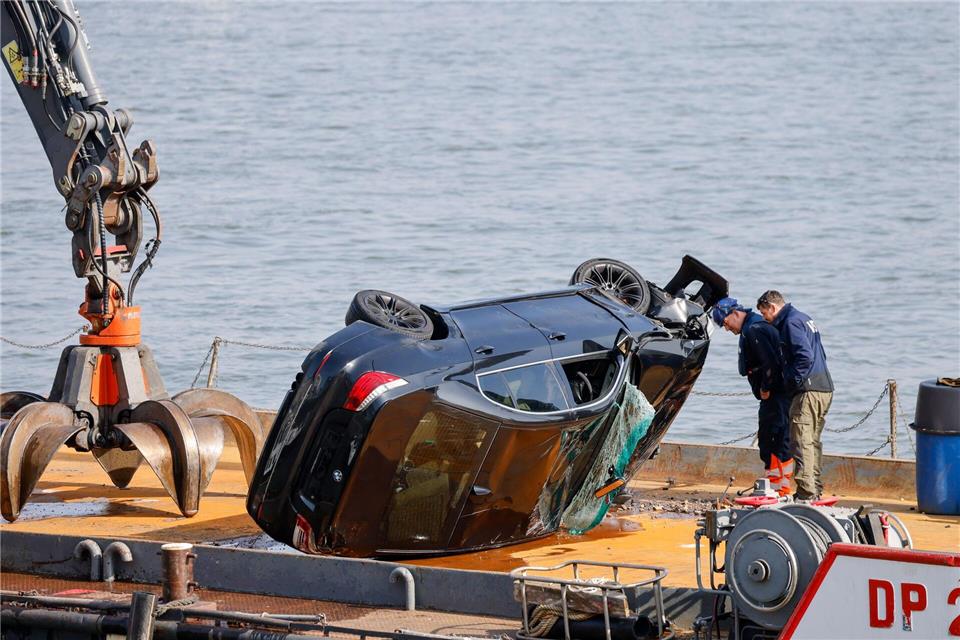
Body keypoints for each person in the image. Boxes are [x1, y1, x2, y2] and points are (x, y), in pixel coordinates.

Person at [756, 290, 834, 501]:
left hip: (808, 390)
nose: (765, 319)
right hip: (824, 387)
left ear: (772, 307)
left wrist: (791, 381)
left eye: (765, 314)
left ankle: (806, 492)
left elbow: (804, 357)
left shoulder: (790, 323)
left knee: (799, 440)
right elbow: (819, 353)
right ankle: (815, 488)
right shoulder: (804, 318)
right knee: (813, 441)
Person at [712, 297, 794, 496]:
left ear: (736, 313)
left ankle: (779, 485)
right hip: (776, 394)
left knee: (774, 436)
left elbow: (771, 362)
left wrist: (766, 387)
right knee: (772, 435)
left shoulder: (755, 329)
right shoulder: (754, 326)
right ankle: (777, 483)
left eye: (725, 322)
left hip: (775, 394)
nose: (726, 328)